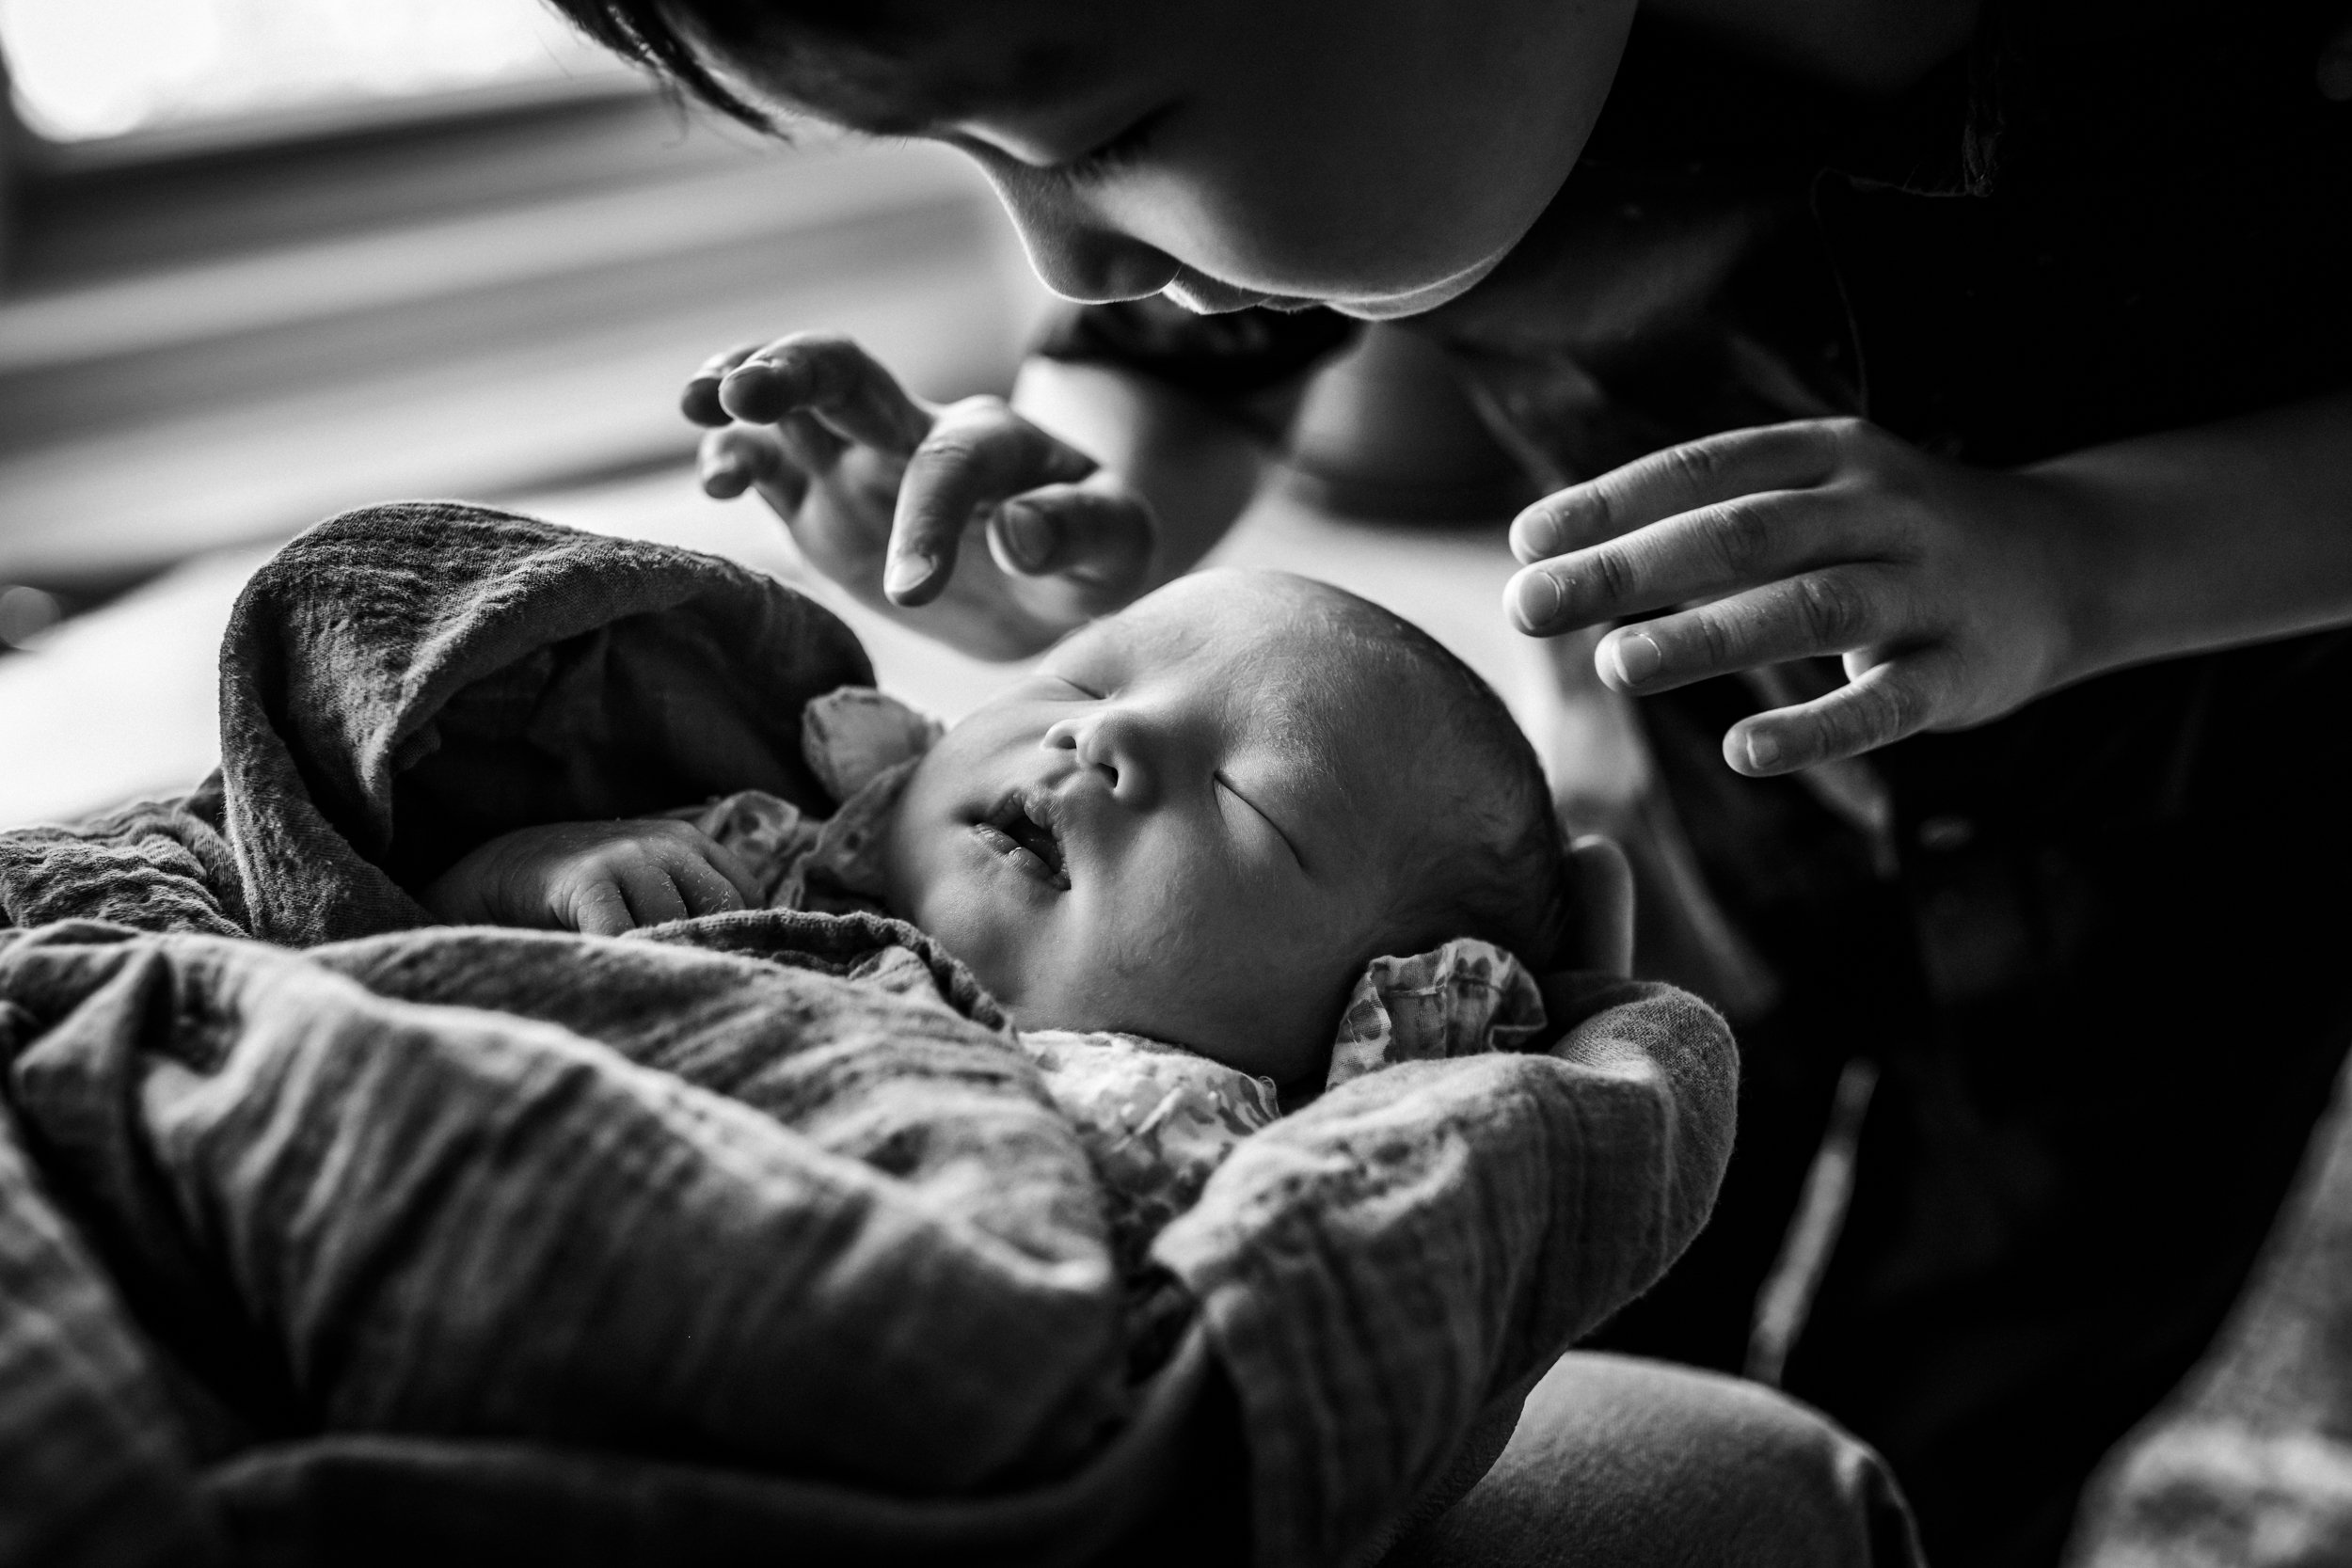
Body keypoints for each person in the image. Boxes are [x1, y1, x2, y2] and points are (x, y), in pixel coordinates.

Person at [542, 2, 2352, 1563]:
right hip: (1714, 780)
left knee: (2003, 1342)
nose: (1063, 255)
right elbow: (1175, 375)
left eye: (1113, 132)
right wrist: (1077, 532)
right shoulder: (1409, 76)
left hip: (2212, 853)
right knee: (1634, 1225)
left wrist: (2083, 554)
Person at [425, 567, 1584, 1087]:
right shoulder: (741, 867)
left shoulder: (1208, 1151)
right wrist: (532, 870)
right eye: (1080, 684)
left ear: (1359, 1025)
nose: (1100, 738)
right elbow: (400, 963)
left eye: (1251, 799)